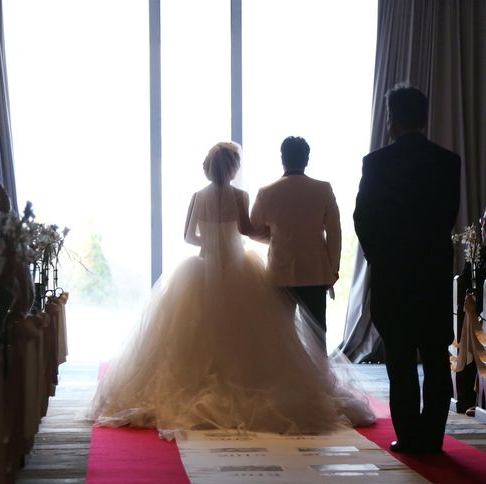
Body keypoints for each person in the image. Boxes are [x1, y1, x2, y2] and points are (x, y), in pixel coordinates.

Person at [87, 142, 374, 438]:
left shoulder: (205, 196)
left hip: (210, 266)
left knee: (198, 329)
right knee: (269, 334)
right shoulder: (245, 195)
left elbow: (190, 236)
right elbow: (247, 228)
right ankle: (300, 381)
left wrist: (213, 244)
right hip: (245, 267)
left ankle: (201, 380)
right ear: (233, 168)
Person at [354, 84, 460, 454]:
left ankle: (409, 436)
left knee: (399, 361)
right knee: (435, 357)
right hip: (433, 272)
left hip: (393, 274)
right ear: (424, 118)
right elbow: (448, 216)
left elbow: (363, 218)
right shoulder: (448, 161)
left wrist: (379, 257)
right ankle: (432, 438)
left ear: (392, 120)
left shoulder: (377, 163)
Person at [250, 136, 341, 346]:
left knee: (283, 337)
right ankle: (318, 369)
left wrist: (276, 238)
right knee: (317, 337)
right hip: (315, 271)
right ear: (307, 159)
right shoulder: (323, 189)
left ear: (282, 158)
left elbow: (254, 230)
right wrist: (332, 269)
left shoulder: (266, 192)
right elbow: (334, 233)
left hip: (280, 271)